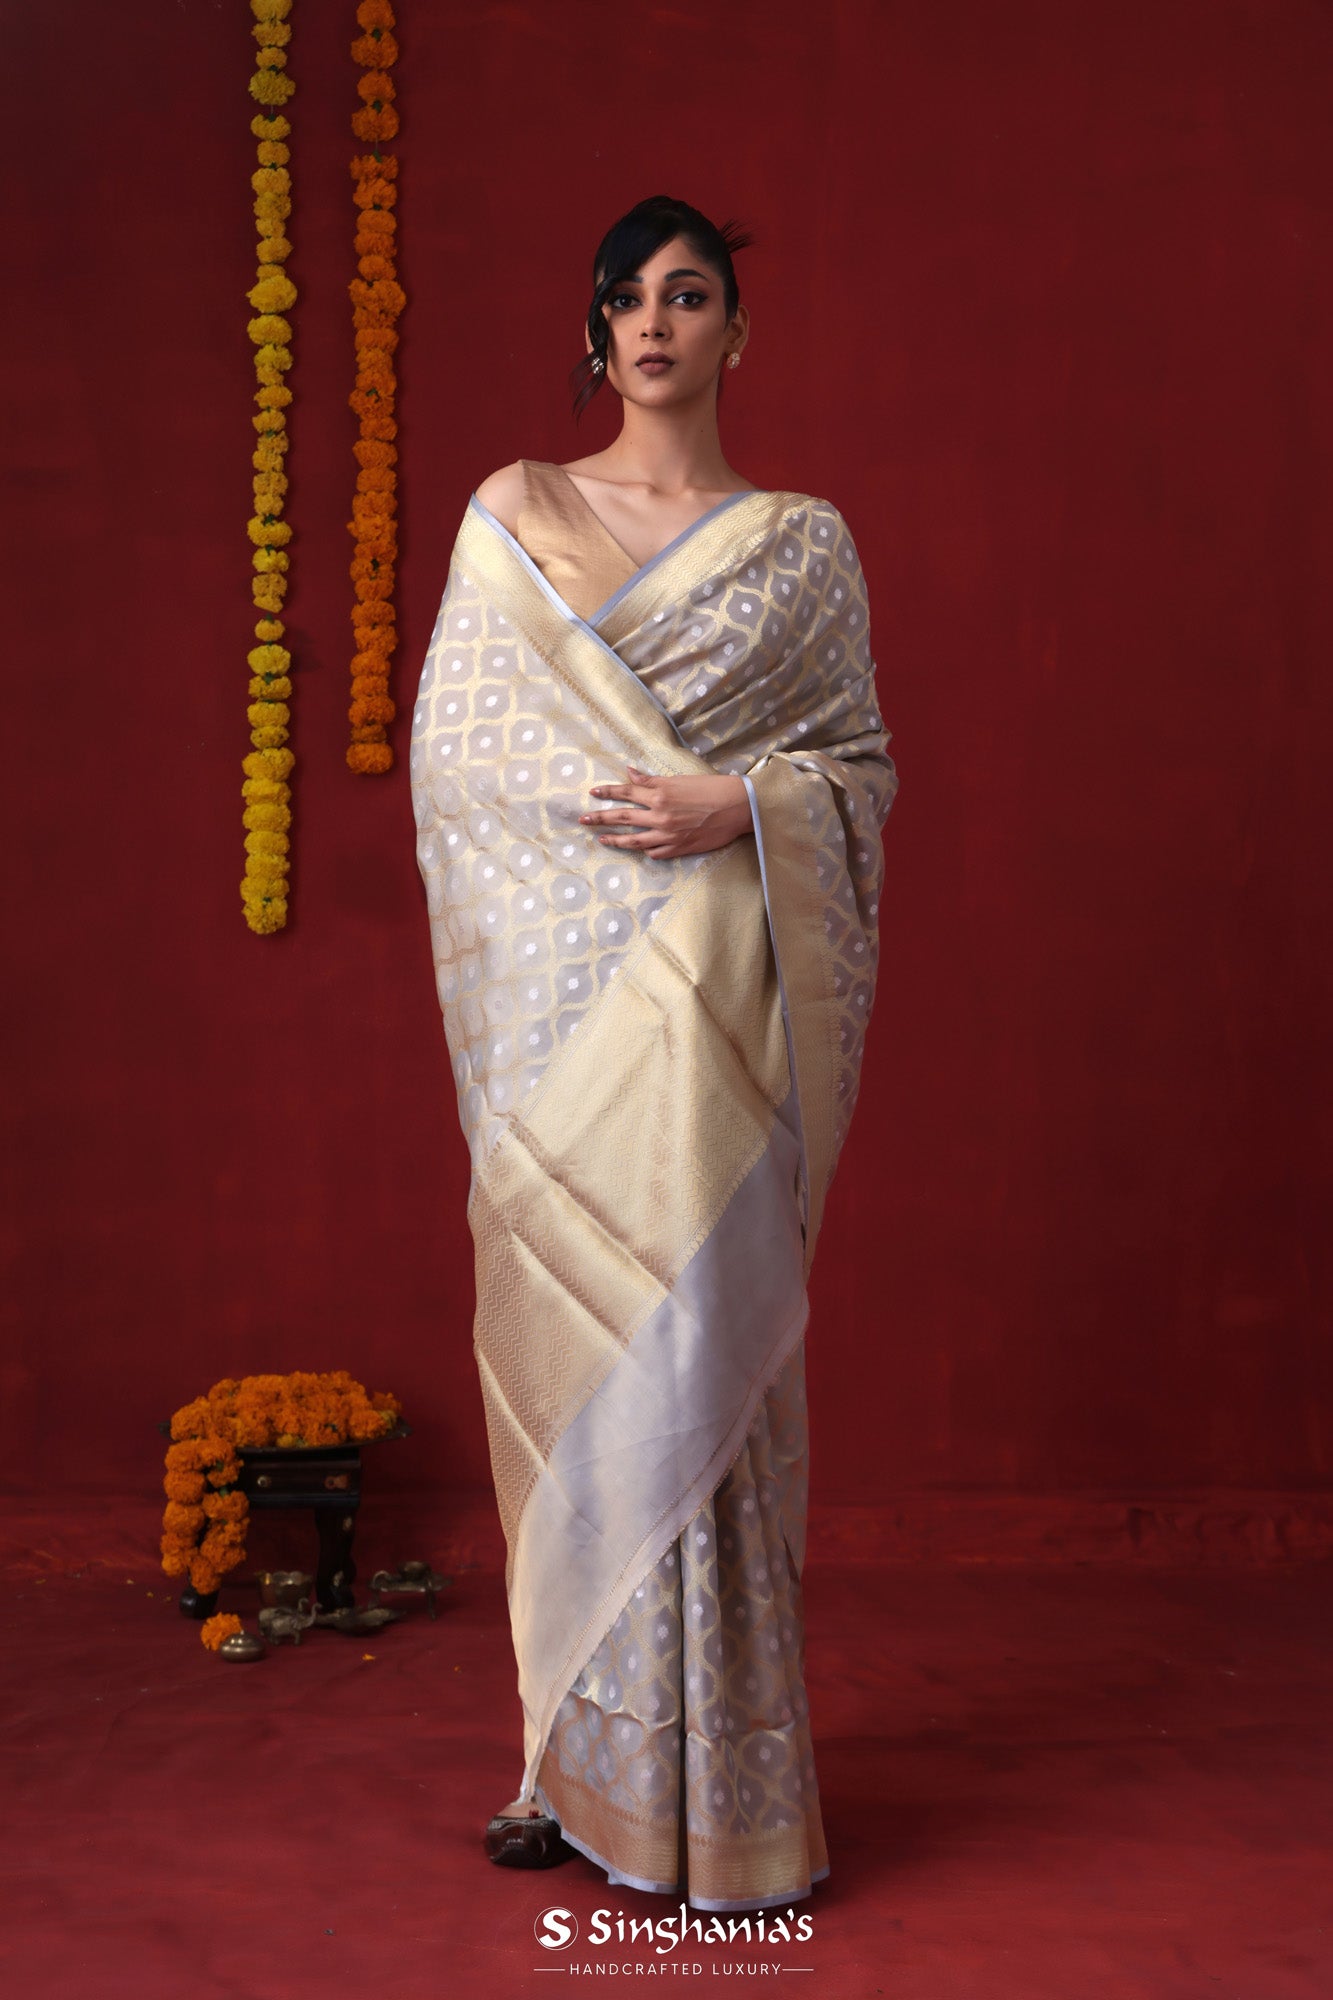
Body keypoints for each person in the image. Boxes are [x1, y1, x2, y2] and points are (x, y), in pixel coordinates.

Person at [409, 193, 899, 1913]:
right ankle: (565, 1758)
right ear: (594, 331)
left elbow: (856, 769)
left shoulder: (801, 544)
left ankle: (720, 1785)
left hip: (726, 1009)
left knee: (702, 1364)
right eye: (626, 298)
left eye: (688, 296)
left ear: (735, 332)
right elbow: (463, 767)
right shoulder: (517, 511)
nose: (654, 323)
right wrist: (636, 836)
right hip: (566, 1018)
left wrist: (739, 805)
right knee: (581, 1354)